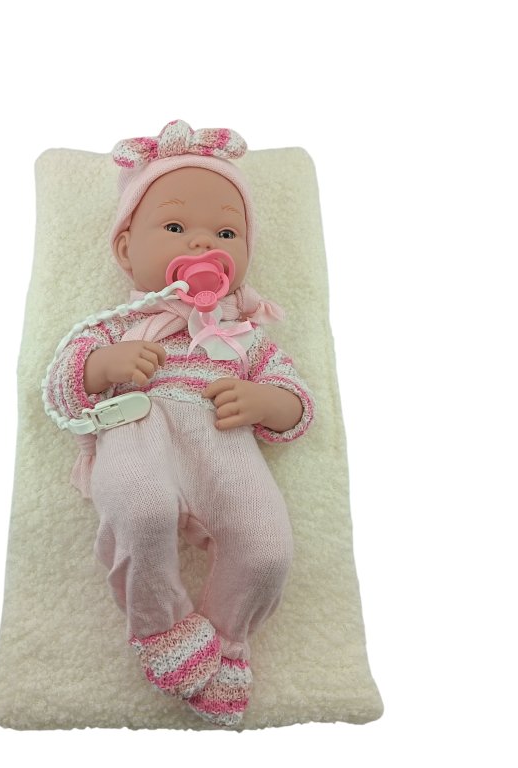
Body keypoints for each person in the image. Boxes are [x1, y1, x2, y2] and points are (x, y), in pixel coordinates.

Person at [45, 120, 314, 727]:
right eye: (174, 228)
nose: (201, 243)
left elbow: (298, 403)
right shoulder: (116, 325)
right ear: (125, 250)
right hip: (140, 433)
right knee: (141, 512)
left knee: (267, 549)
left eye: (226, 233)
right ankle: (161, 627)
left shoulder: (246, 335)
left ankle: (225, 641)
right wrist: (103, 366)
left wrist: (266, 402)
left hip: (224, 446)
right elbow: (60, 388)